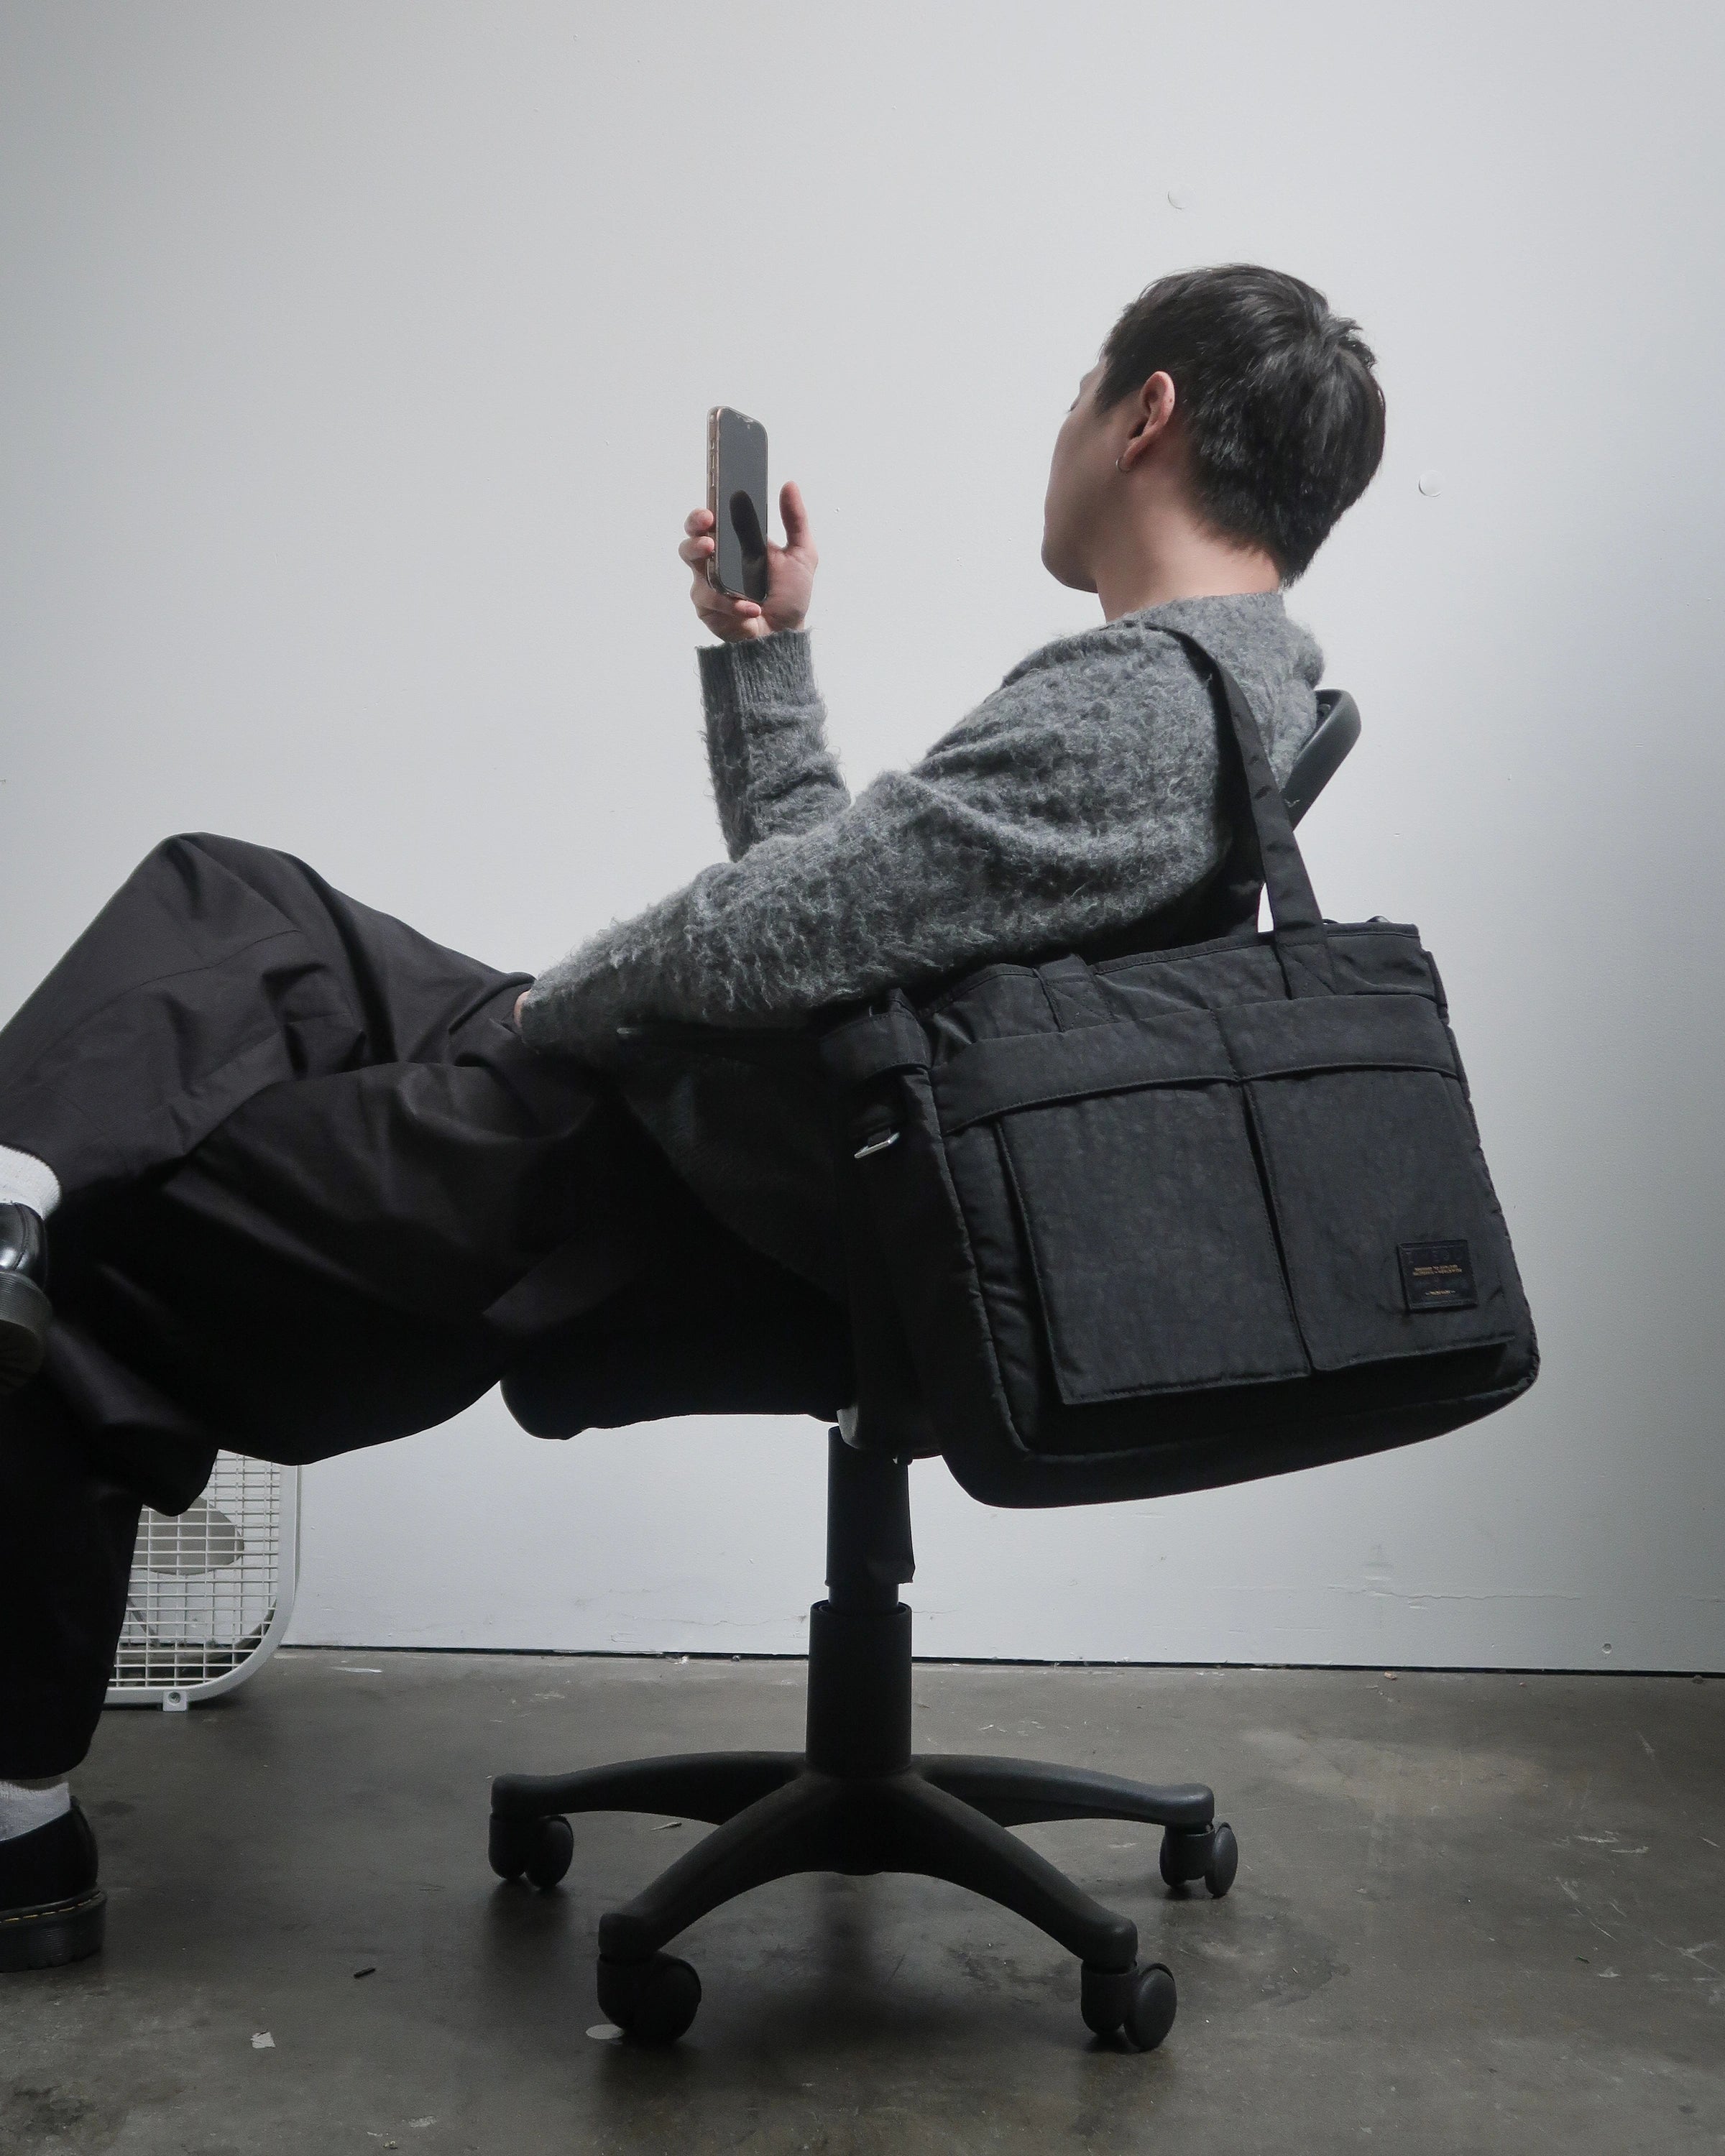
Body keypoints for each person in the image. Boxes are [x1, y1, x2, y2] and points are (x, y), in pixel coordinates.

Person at [0, 262, 1386, 1970]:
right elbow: (834, 899)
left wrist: (543, 1009)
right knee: (239, 907)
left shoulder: (1139, 706)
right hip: (763, 1144)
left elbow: (773, 935)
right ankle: (9, 1179)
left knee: (103, 1243)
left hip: (672, 1181)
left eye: (1077, 398)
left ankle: (13, 1830)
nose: (1064, 436)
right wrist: (768, 651)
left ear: (1145, 413)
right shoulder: (1234, 694)